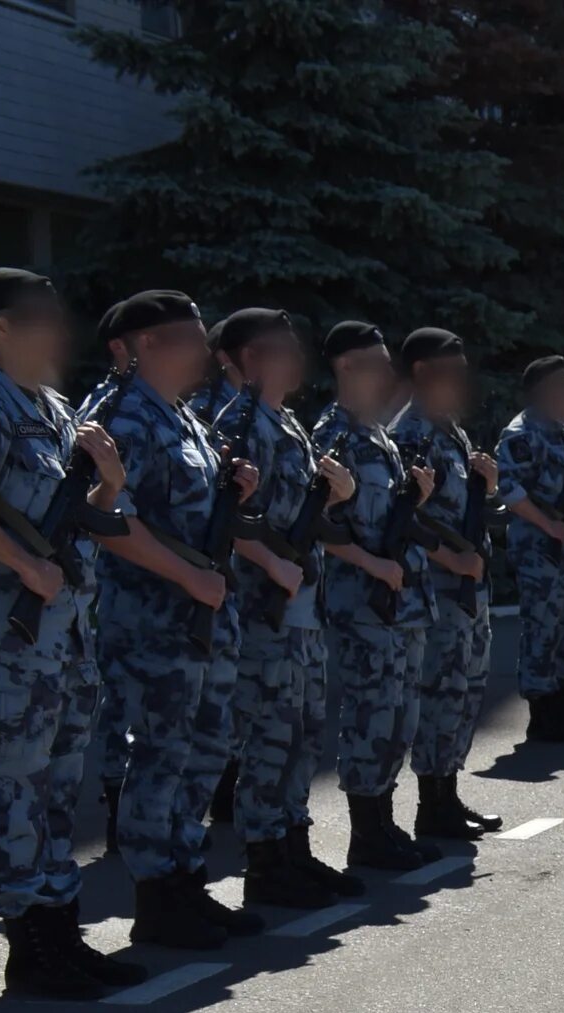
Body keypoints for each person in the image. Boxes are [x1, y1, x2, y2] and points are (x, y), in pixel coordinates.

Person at [0, 268, 145, 995]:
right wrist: (18, 560)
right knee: (15, 790)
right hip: (10, 641)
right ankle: (31, 947)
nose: (56, 329)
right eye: (38, 317)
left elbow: (86, 518)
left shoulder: (51, 406)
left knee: (54, 790)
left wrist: (107, 479)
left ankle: (60, 931)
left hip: (65, 639)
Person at [90, 289, 266, 948]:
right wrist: (189, 575)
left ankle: (185, 881)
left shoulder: (184, 416)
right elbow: (110, 519)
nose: (199, 350)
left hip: (204, 616)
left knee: (204, 752)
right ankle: (156, 897)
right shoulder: (121, 417)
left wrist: (236, 484)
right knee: (161, 756)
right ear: (134, 347)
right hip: (155, 619)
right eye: (184, 338)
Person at [205, 305, 360, 908]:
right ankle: (267, 863)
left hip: (299, 605)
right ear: (251, 358)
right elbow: (229, 513)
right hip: (262, 604)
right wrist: (273, 565)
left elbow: (299, 514)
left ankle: (294, 847)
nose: (297, 360)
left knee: (300, 733)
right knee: (269, 736)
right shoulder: (239, 423)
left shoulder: (286, 423)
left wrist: (340, 495)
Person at [312, 319, 438, 872]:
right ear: (346, 368)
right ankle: (366, 835)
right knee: (370, 715)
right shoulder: (332, 436)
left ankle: (385, 824)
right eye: (376, 363)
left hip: (399, 603)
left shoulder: (378, 436)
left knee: (398, 716)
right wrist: (373, 564)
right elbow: (316, 524)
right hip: (362, 603)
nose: (388, 373)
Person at [388, 328, 503, 843]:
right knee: (439, 692)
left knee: (465, 691)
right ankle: (431, 807)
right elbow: (405, 515)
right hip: (438, 587)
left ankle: (448, 794)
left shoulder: (449, 430)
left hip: (466, 586)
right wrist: (451, 559)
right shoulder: (411, 432)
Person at [497, 353, 564, 745]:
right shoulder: (521, 432)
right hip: (540, 550)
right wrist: (549, 524)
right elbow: (509, 490)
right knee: (542, 630)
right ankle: (543, 716)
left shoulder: (563, 430)